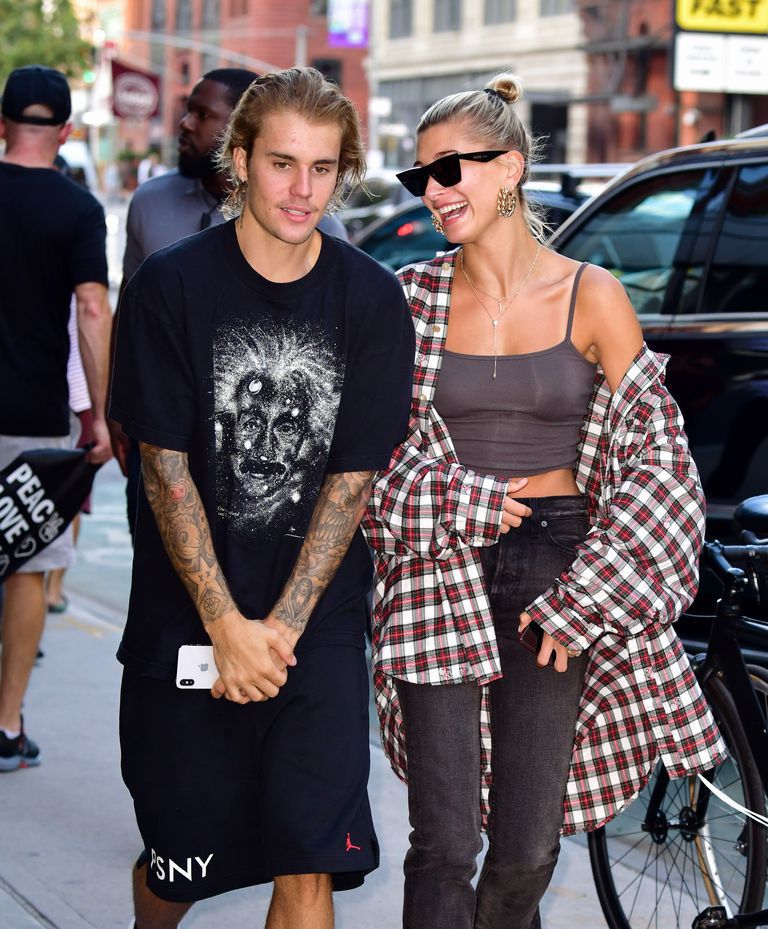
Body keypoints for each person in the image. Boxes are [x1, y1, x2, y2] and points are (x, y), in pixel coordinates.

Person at [361, 74, 726, 929]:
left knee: (526, 847)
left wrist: (590, 594)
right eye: (421, 175)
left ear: (512, 167)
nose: (434, 191)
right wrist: (458, 496)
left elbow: (657, 457)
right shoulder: (410, 300)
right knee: (445, 843)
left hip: (556, 568)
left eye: (450, 168)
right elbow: (369, 459)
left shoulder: (590, 293)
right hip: (436, 562)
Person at [109, 67, 414, 929]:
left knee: (306, 860)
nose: (302, 189)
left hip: (313, 625)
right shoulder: (170, 285)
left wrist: (278, 631)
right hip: (187, 612)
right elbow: (164, 470)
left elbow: (351, 482)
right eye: (283, 163)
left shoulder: (372, 298)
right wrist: (225, 625)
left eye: (323, 168)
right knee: (181, 866)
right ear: (240, 160)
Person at [111, 67, 349, 538]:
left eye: (203, 114)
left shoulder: (319, 230)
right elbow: (127, 305)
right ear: (243, 158)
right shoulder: (151, 204)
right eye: (188, 111)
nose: (185, 124)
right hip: (161, 427)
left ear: (240, 124)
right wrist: (114, 405)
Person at [0, 65, 112, 773]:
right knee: (26, 568)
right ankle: (7, 722)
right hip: (36, 416)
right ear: (66, 132)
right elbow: (93, 309)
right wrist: (100, 414)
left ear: (1, 124)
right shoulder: (77, 210)